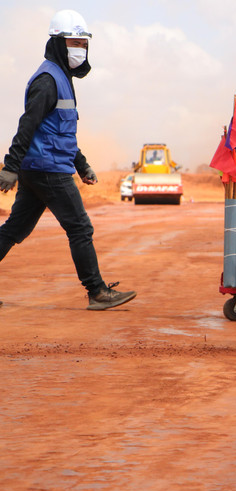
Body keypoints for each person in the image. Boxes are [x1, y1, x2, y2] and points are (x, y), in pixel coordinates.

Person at [0, 10, 136, 311]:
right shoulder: (48, 80)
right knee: (80, 228)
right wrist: (10, 166)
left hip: (42, 167)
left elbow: (59, 132)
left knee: (13, 230)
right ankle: (97, 292)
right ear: (58, 43)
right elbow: (28, 124)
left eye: (84, 43)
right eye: (74, 42)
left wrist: (81, 163)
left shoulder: (61, 77)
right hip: (48, 170)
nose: (80, 49)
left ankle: (97, 291)